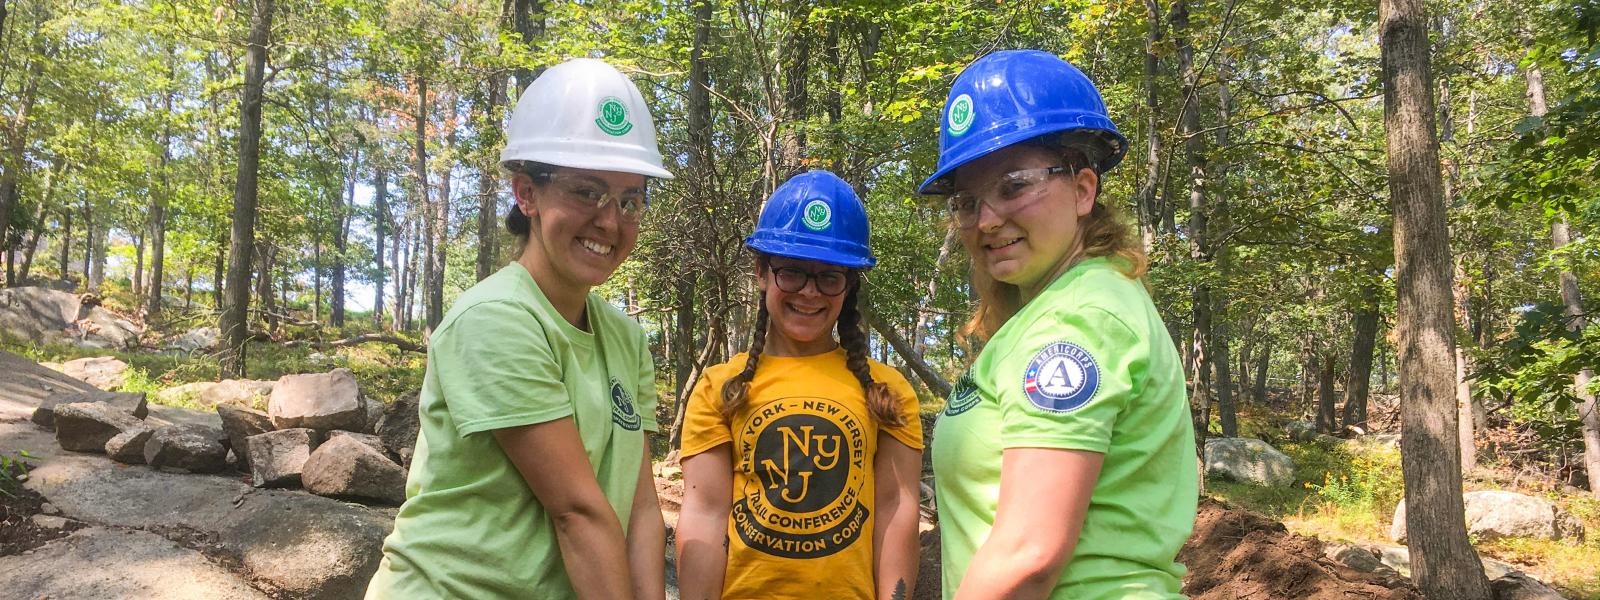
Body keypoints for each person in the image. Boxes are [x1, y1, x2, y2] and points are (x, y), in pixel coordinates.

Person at [365, 58, 671, 599]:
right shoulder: (495, 320)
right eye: (586, 191)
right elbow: (577, 513)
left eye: (630, 200)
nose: (610, 220)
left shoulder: (624, 338)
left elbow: (641, 507)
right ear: (526, 193)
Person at [921, 50, 1198, 599]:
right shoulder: (1064, 306)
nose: (987, 220)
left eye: (1014, 184)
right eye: (968, 201)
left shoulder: (1078, 318)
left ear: (1083, 188)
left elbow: (1029, 555)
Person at [675, 171, 925, 600]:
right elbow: (705, 514)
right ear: (761, 272)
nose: (810, 293)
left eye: (829, 277)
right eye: (791, 273)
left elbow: (896, 512)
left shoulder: (887, 390)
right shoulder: (722, 387)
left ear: (849, 284)